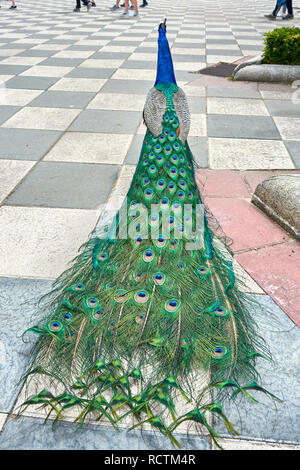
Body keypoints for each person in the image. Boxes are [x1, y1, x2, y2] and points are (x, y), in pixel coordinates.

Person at [20, 20, 277, 449]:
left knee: (141, 211)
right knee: (182, 213)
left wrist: (160, 128)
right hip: (174, 160)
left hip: (153, 163)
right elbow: (181, 131)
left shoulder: (154, 96)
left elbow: (151, 126)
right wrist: (175, 134)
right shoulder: (179, 95)